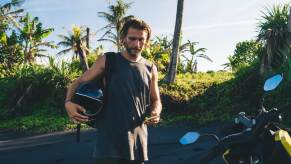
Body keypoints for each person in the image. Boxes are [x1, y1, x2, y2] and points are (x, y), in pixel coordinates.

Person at [64, 18, 162, 164]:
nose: (137, 44)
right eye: (132, 39)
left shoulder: (151, 68)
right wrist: (68, 103)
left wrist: (156, 112)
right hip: (108, 144)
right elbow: (78, 82)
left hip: (138, 143)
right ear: (123, 39)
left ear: (147, 41)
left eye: (141, 40)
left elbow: (156, 100)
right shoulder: (108, 60)